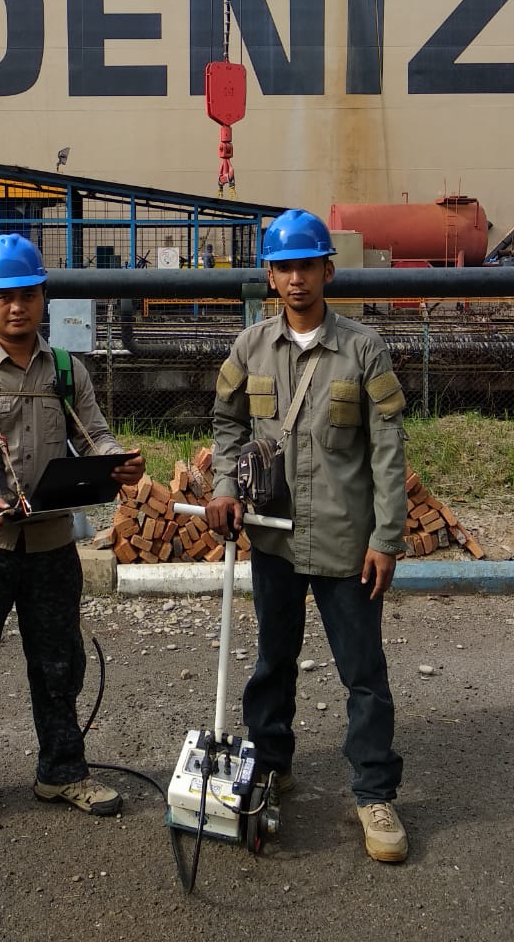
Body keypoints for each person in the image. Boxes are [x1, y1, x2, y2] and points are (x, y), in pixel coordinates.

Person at [0, 233, 145, 841]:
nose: (17, 307)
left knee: (59, 663)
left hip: (50, 547)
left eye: (28, 295)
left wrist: (117, 460)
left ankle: (61, 772)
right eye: (4, 296)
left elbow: (94, 435)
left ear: (43, 298)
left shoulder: (67, 371)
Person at [205, 209, 408, 863]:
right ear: (271, 276)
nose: (297, 278)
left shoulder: (364, 350)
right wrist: (224, 489)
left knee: (364, 675)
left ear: (328, 271)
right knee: (272, 664)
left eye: (308, 265)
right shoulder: (249, 348)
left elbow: (388, 448)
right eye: (285, 267)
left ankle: (374, 793)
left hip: (348, 544)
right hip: (274, 541)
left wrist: (387, 538)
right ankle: (270, 767)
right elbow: (227, 424)